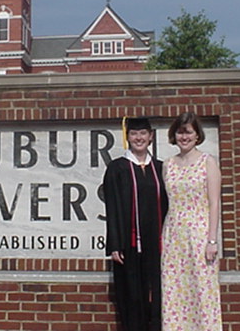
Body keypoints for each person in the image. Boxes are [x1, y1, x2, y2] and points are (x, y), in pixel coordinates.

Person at [102, 117, 169, 331]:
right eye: (133, 134)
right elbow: (112, 207)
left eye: (143, 133)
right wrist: (114, 244)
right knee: (132, 297)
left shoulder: (161, 168)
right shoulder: (117, 168)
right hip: (129, 246)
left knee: (158, 297)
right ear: (127, 137)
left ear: (151, 137)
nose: (138, 138)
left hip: (157, 246)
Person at [161, 111, 222, 330]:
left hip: (199, 236)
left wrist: (212, 241)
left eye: (188, 132)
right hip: (173, 236)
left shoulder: (208, 162)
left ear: (197, 135)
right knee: (174, 293)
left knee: (202, 291)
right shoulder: (168, 165)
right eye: (180, 132)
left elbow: (214, 203)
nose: (184, 137)